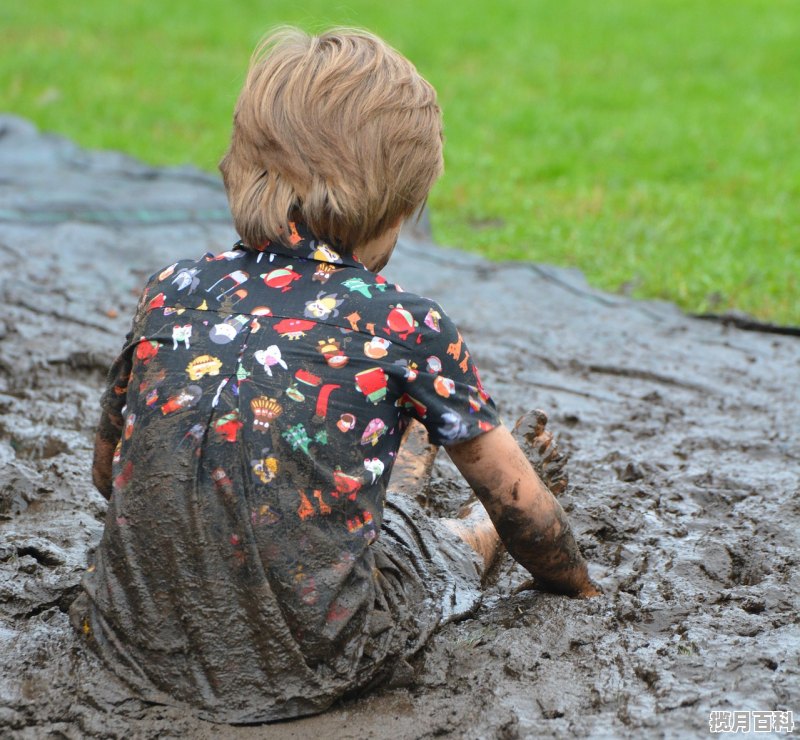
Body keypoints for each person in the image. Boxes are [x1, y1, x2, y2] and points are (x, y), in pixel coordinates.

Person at [70, 27, 599, 724]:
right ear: (395, 208)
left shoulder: (171, 288)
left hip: (129, 638)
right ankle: (441, 504)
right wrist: (580, 586)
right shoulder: (404, 324)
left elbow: (109, 474)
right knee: (438, 553)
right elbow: (524, 512)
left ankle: (404, 465)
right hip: (312, 660)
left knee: (291, 457)